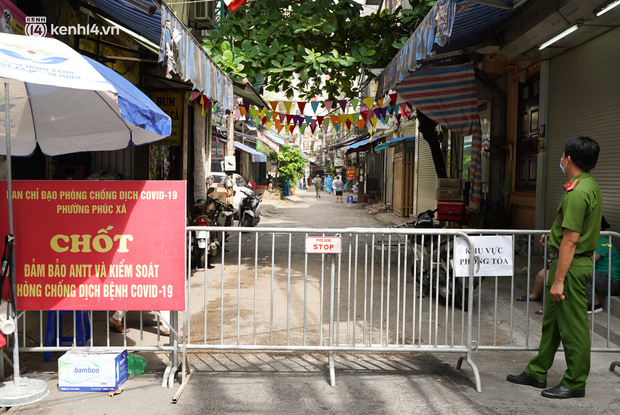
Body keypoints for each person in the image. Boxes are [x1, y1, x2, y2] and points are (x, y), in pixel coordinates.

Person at [507, 136, 602, 399]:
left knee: (573, 328)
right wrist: (554, 236)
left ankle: (575, 382)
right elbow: (572, 230)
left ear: (569, 158)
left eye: (562, 155)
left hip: (570, 267)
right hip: (568, 262)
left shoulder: (578, 193)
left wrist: (558, 280)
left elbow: (571, 241)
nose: (561, 159)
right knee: (553, 324)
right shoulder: (587, 185)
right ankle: (537, 371)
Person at [517, 217, 619, 315]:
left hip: (610, 281)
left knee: (577, 272)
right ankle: (538, 298)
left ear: (598, 227)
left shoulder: (602, 241)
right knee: (544, 272)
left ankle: (594, 303)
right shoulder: (588, 240)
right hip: (597, 276)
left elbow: (588, 261)